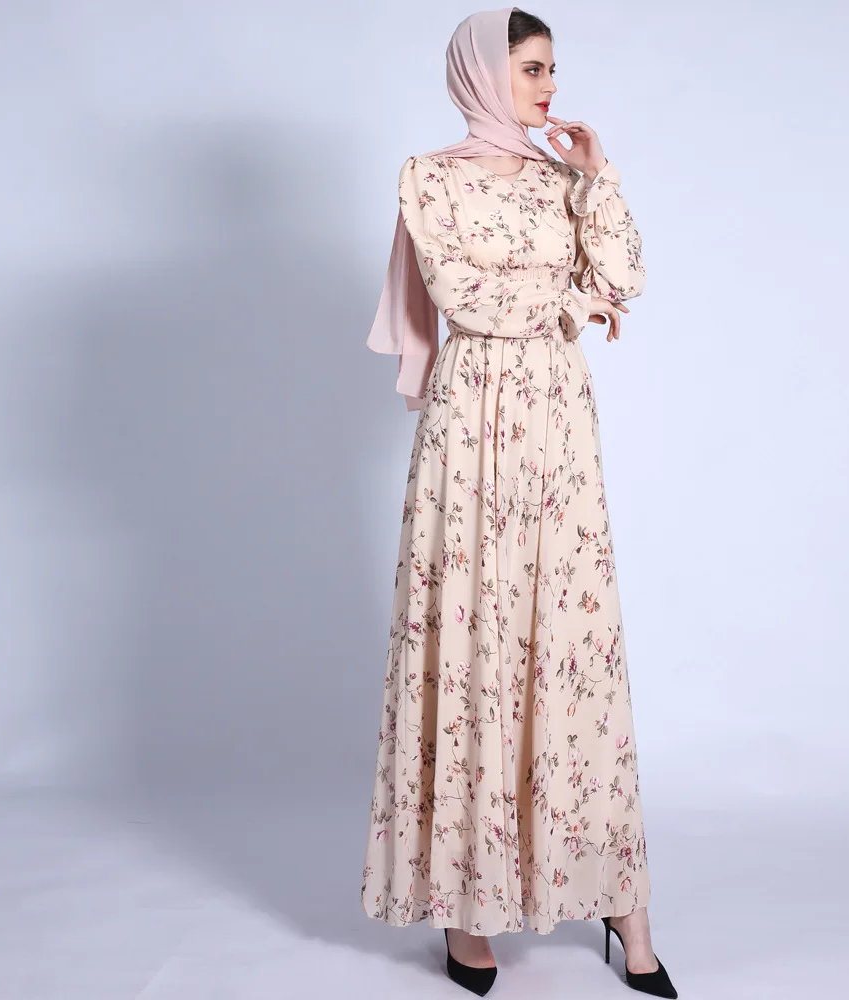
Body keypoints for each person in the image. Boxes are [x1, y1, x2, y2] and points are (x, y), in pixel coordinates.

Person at [361, 7, 678, 997]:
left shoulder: (561, 179)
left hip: (555, 425)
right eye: (532, 69)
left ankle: (621, 901)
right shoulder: (431, 179)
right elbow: (466, 296)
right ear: (482, 74)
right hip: (469, 425)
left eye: (551, 70)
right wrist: (571, 303)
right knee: (474, 638)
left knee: (570, 641)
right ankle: (469, 904)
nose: (549, 87)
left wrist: (598, 176)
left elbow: (626, 277)